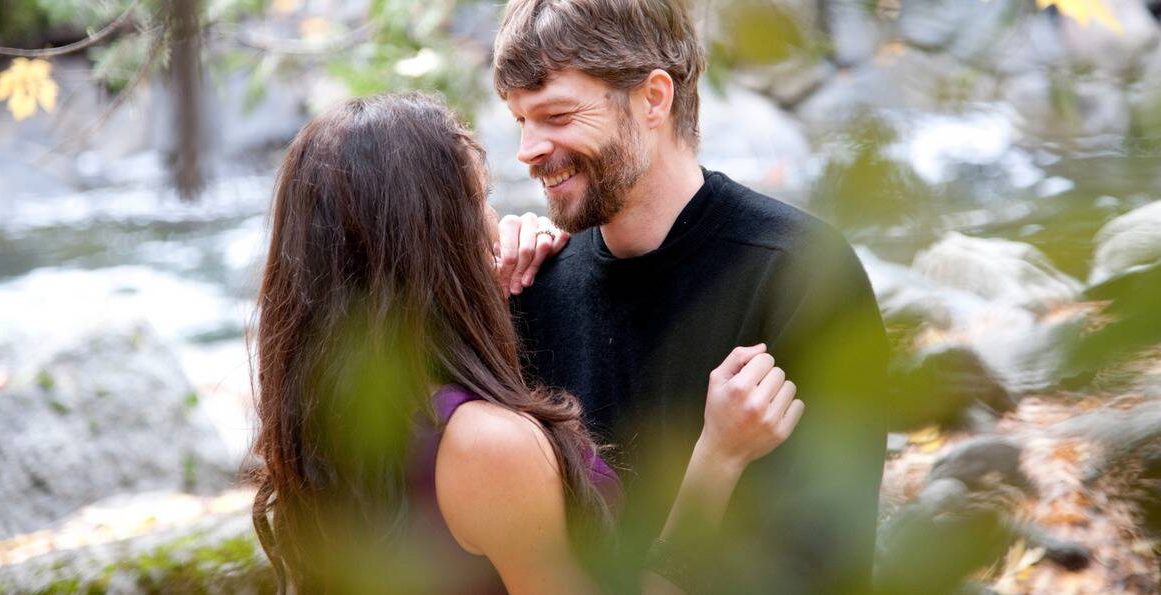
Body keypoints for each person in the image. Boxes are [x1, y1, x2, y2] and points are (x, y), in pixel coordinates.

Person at [249, 92, 805, 594]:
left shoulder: (326, 413)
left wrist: (480, 303)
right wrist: (719, 457)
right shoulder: (488, 445)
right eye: (479, 199)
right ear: (435, 238)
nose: (496, 222)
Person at [491, 0, 889, 594]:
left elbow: (827, 567)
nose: (527, 150)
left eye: (558, 117)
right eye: (521, 121)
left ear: (653, 98)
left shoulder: (801, 276)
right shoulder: (532, 287)